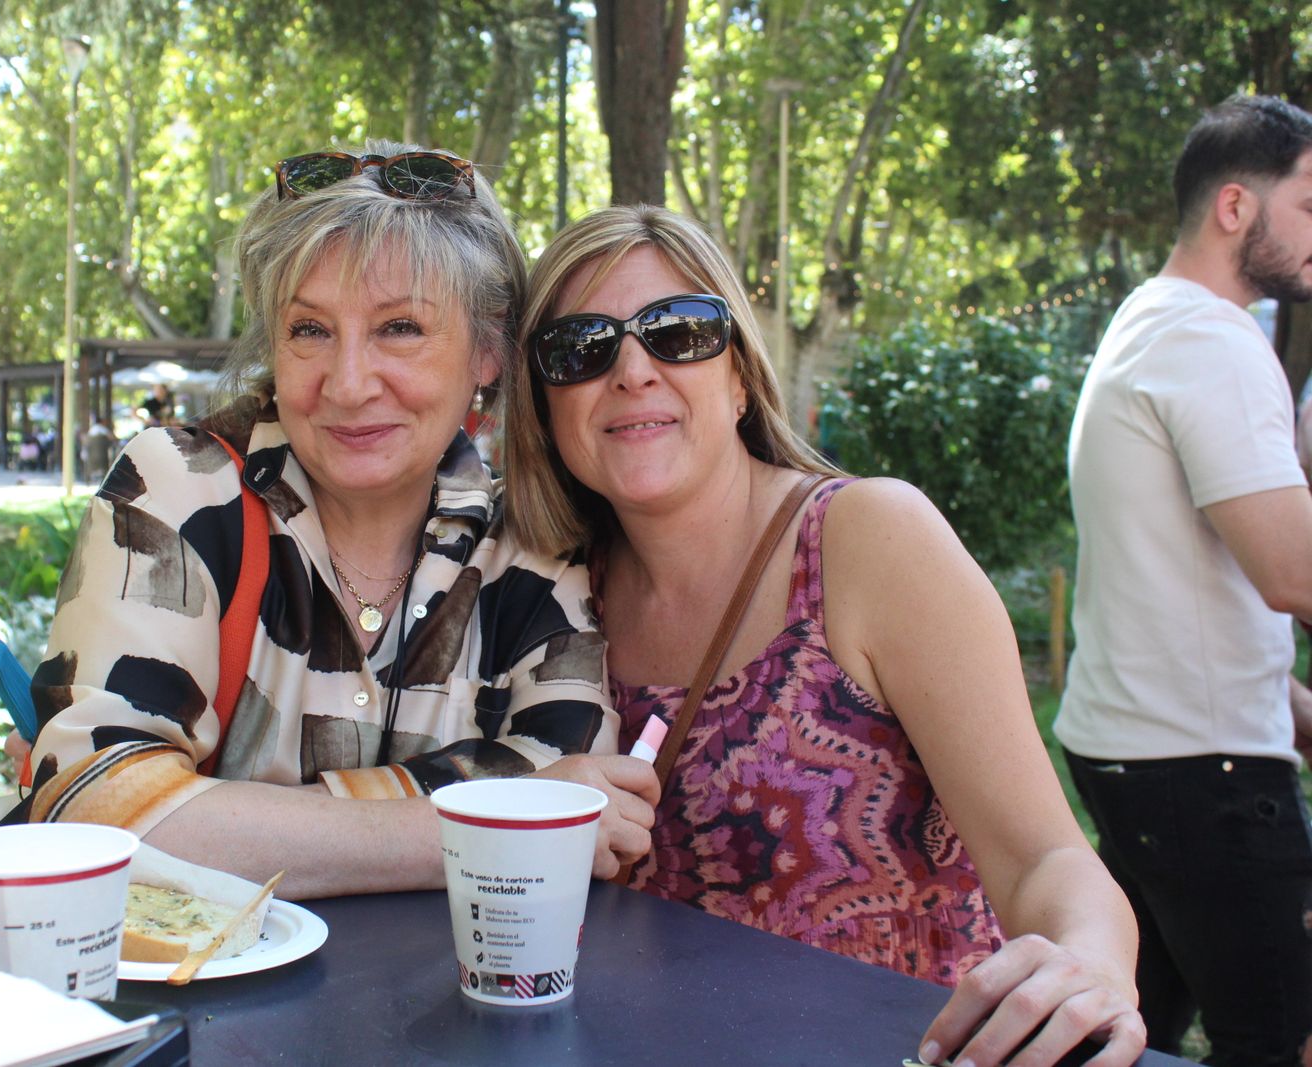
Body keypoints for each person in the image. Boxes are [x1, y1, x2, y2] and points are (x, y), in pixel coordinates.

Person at [502, 205, 1143, 1067]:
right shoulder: (551, 593)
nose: (632, 370)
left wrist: (1091, 964)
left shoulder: (867, 542)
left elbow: (1045, 859)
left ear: (739, 377)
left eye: (678, 332)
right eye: (581, 349)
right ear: (543, 405)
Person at [0, 142, 657, 898]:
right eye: (310, 329)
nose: (347, 385)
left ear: (488, 350)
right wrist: (479, 826)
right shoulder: (180, 488)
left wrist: (208, 812)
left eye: (399, 327)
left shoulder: (531, 547)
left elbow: (574, 798)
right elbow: (96, 814)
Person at [1054, 95, 1312, 1067]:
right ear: (1236, 206)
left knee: (1132, 1035)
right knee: (1279, 1039)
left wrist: (1287, 703)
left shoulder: (1147, 322)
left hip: (1139, 756)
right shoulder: (1211, 340)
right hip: (1203, 777)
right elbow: (1293, 572)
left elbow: (1175, 580)